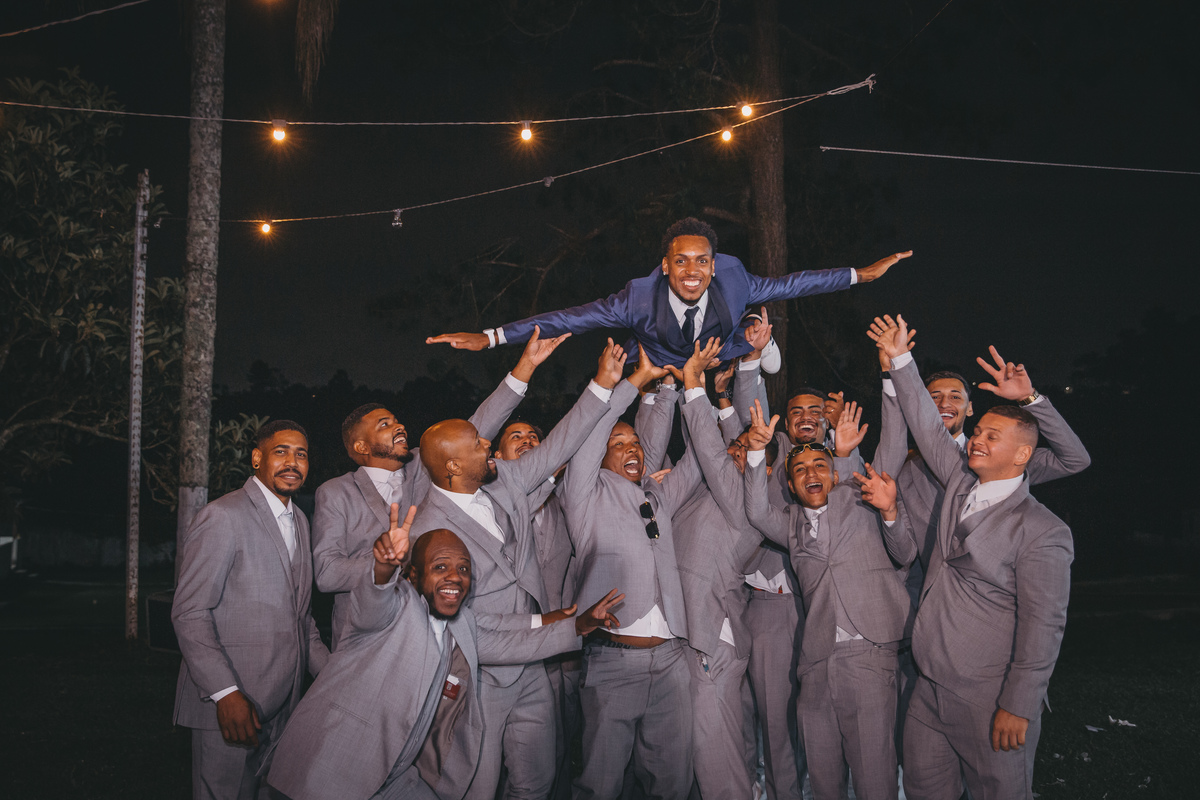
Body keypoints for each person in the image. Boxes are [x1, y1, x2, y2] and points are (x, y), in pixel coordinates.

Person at [264, 513, 624, 800]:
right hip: (326, 770)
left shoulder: (461, 624)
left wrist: (579, 626)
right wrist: (384, 566)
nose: (455, 577)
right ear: (413, 576)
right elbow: (374, 596)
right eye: (440, 567)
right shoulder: (395, 609)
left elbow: (513, 643)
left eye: (463, 569)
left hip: (396, 777)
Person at [872, 315, 1076, 800]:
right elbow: (927, 425)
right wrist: (900, 359)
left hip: (989, 697)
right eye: (978, 431)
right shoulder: (960, 481)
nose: (977, 440)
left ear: (1022, 456)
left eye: (991, 436)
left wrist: (1018, 704)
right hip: (928, 690)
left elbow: (1043, 625)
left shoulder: (1043, 530)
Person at [409, 341, 621, 800]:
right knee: (475, 788)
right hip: (477, 677)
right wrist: (563, 627)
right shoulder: (428, 533)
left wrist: (603, 383)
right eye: (477, 444)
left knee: (536, 783)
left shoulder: (504, 480)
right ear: (452, 466)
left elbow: (560, 443)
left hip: (533, 668)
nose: (488, 444)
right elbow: (470, 630)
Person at [312, 328, 568, 650]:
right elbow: (327, 573)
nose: (399, 426)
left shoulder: (425, 465)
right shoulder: (335, 492)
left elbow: (482, 422)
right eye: (384, 425)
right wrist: (391, 561)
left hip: (437, 635)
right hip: (368, 638)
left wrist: (525, 367)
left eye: (396, 420)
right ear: (361, 446)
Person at [426, 217, 911, 368]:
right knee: (634, 380)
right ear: (665, 266)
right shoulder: (636, 299)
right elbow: (568, 318)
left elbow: (794, 284)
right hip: (657, 358)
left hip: (716, 349)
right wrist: (490, 337)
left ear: (714, 265)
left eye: (702, 261)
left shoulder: (735, 279)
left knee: (750, 341)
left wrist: (862, 275)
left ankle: (753, 341)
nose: (692, 271)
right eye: (681, 261)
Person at [557, 340, 711, 800]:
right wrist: (635, 381)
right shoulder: (583, 496)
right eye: (618, 443)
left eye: (635, 443)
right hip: (613, 662)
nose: (633, 449)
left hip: (671, 661)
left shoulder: (657, 496)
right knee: (601, 784)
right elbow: (589, 435)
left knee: (673, 781)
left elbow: (700, 457)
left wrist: (694, 389)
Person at [742, 397, 916, 800]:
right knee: (824, 780)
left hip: (869, 655)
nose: (811, 473)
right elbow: (755, 511)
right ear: (790, 485)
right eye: (800, 469)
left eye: (820, 465)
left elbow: (905, 553)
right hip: (816, 663)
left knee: (874, 778)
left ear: (835, 474)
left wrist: (890, 511)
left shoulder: (864, 504)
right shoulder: (789, 525)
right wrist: (754, 452)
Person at [172, 420, 331, 800]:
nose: (293, 462)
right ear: (257, 458)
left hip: (284, 706)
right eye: (281, 452)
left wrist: (333, 677)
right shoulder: (222, 516)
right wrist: (226, 694)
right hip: (230, 706)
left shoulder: (301, 521)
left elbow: (301, 618)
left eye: (301, 454)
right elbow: (190, 613)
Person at [670, 343, 781, 799]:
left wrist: (693, 385)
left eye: (746, 453)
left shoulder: (750, 509)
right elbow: (700, 451)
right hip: (685, 633)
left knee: (715, 753)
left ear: (764, 471)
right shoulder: (702, 497)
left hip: (711, 638)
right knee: (697, 750)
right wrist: (696, 388)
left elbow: (709, 451)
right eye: (734, 447)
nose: (734, 453)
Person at [492, 419, 580, 800]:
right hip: (506, 655)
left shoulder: (565, 504)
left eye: (534, 436)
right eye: (516, 436)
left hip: (560, 654)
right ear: (497, 456)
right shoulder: (490, 507)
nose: (528, 440)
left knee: (559, 753)